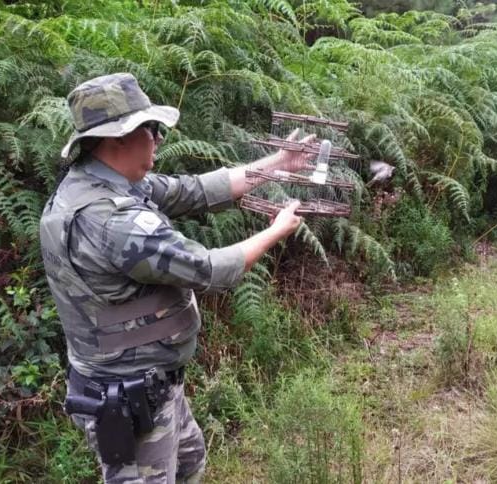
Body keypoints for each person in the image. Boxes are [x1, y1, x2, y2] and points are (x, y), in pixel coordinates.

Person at [39, 72, 311, 483]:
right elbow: (209, 270)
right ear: (119, 138)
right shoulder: (114, 221)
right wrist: (277, 229)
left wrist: (278, 165)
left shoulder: (101, 184)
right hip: (129, 395)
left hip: (151, 385)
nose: (159, 138)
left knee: (189, 462)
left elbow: (195, 190)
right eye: (152, 129)